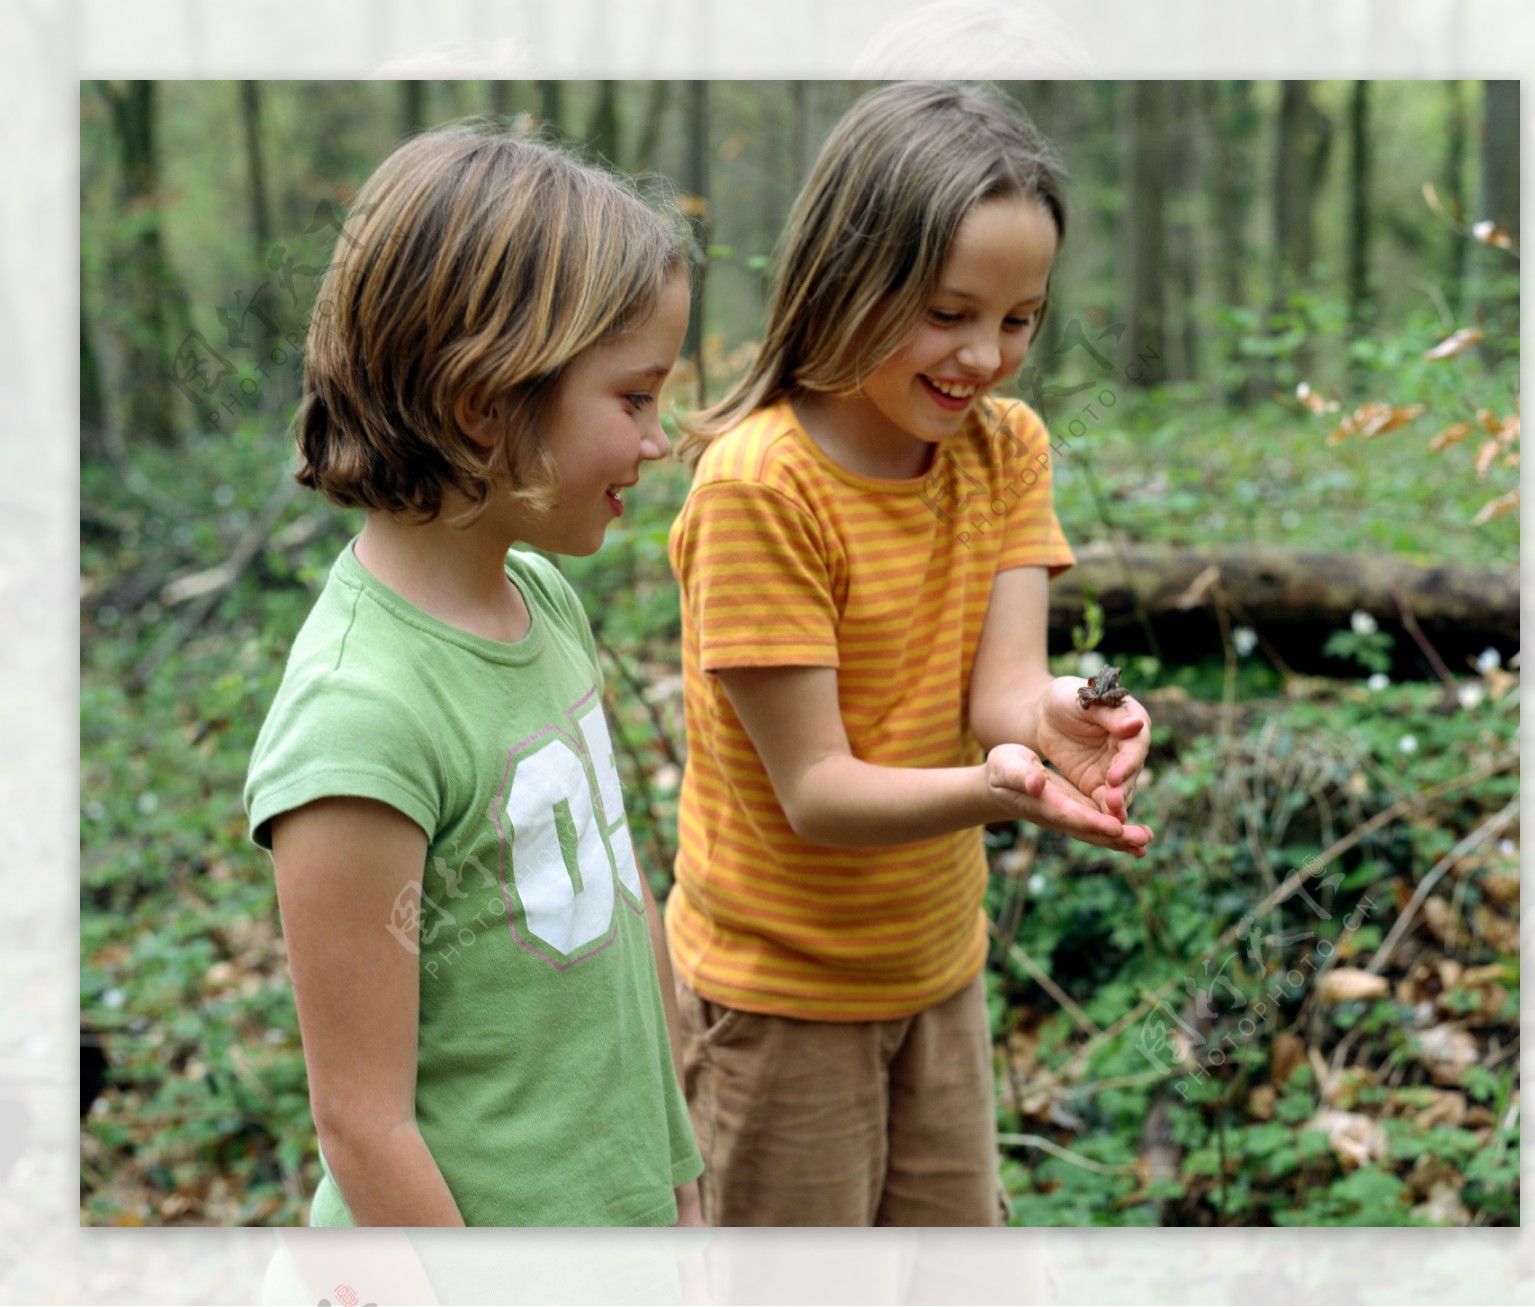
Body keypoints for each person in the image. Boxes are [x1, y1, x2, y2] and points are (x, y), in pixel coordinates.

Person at [665, 80, 1154, 1227]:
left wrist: (1064, 724)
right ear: (849, 274)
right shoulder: (760, 487)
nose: (984, 355)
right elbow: (818, 793)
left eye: (1020, 317)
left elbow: (1006, 695)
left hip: (937, 967)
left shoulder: (1004, 449)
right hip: (777, 1001)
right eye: (945, 311)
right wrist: (1003, 795)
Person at [244, 123, 703, 1227]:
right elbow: (364, 1126)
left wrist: (682, 1186)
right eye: (632, 400)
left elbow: (618, 907)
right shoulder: (361, 720)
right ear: (483, 405)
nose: (659, 440)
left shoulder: (541, 596)